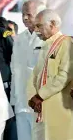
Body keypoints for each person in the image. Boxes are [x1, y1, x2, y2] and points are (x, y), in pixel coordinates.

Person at [27, 9, 73, 140]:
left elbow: (64, 76)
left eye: (39, 26)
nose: (36, 30)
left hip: (59, 109)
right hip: (41, 109)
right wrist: (32, 97)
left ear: (52, 24)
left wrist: (40, 95)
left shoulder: (67, 43)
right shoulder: (45, 46)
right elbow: (34, 76)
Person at [10, 0, 46, 140]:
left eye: (29, 14)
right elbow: (15, 70)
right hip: (21, 102)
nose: (25, 18)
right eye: (23, 14)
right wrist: (14, 100)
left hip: (40, 102)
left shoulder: (50, 39)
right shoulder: (19, 39)